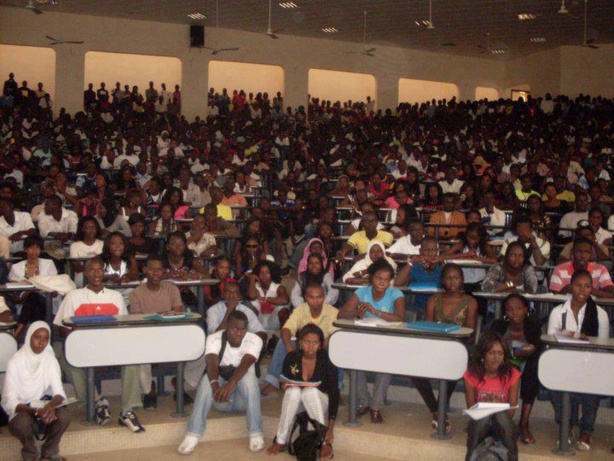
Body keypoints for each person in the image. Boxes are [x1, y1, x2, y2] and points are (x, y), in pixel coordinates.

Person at [54, 257, 144, 432]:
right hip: (83, 347)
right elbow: (60, 328)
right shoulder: (74, 296)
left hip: (110, 347)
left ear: (104, 272)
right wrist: (76, 335)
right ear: (86, 273)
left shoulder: (115, 296)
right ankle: (96, 402)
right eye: (92, 270)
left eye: (100, 270)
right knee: (65, 355)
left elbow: (124, 326)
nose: (96, 273)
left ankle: (128, 409)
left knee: (133, 357)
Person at [177, 311, 265, 455]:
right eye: (234, 328)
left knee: (249, 378)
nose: (238, 333)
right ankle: (193, 434)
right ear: (227, 326)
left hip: (244, 399)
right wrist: (215, 386)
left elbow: (246, 362)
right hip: (221, 400)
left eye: (242, 329)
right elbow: (212, 363)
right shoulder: (214, 338)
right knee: (207, 380)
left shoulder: (255, 339)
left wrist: (230, 384)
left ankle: (255, 433)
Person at [547, 269, 610, 451]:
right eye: (578, 285)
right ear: (570, 287)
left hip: (590, 362)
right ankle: (566, 427)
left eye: (587, 286)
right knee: (552, 381)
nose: (582, 290)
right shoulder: (558, 312)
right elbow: (552, 342)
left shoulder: (600, 315)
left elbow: (601, 347)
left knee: (592, 384)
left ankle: (586, 431)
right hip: (564, 361)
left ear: (592, 288)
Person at [411, 264, 477, 432]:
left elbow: (469, 333)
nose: (452, 281)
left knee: (455, 364)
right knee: (414, 370)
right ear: (443, 280)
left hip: (459, 347)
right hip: (436, 346)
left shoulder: (470, 301)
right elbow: (428, 327)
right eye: (448, 278)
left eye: (456, 278)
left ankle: (438, 412)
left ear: (462, 280)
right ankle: (436, 411)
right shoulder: (434, 300)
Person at [338, 259, 405, 423]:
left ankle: (376, 407)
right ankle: (364, 401)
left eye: (386, 279)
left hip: (386, 341)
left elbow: (400, 318)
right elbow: (341, 314)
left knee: (386, 365)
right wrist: (356, 314)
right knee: (352, 361)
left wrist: (375, 311)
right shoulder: (362, 292)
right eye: (379, 278)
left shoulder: (396, 294)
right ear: (371, 278)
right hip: (364, 340)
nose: (383, 283)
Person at [1, 322, 71, 461]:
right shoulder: (15, 362)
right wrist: (36, 411)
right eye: (37, 337)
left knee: (64, 416)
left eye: (45, 339)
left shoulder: (49, 359)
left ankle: (48, 453)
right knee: (22, 423)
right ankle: (31, 455)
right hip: (23, 410)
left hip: (44, 407)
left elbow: (59, 393)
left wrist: (49, 407)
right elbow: (10, 400)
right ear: (29, 338)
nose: (41, 343)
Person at [267, 324, 338, 459]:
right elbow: (283, 381)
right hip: (298, 403)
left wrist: (330, 428)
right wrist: (284, 386)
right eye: (307, 342)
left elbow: (334, 394)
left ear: (320, 344)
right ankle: (280, 440)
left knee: (309, 392)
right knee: (292, 391)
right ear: (300, 343)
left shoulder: (327, 360)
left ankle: (324, 442)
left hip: (319, 402)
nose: (311, 347)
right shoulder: (292, 357)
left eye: (315, 342)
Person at [261, 284, 339, 396]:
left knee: (337, 346)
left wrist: (323, 344)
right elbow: (286, 329)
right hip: (304, 346)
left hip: (323, 347)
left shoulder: (333, 312)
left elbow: (334, 335)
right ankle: (272, 383)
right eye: (312, 297)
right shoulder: (300, 310)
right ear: (306, 298)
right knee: (282, 342)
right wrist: (290, 350)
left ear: (324, 297)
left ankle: (337, 388)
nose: (316, 301)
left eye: (319, 297)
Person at [129, 255, 184, 410]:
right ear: (145, 270)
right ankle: (149, 391)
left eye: (159, 269)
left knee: (200, 350)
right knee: (138, 353)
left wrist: (155, 316)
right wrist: (163, 315)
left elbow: (177, 316)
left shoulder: (172, 289)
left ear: (163, 271)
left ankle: (180, 382)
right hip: (146, 337)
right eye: (151, 269)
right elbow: (138, 321)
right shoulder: (136, 293)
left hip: (170, 336)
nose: (155, 273)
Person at [490, 294, 542, 445]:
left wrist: (529, 350)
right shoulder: (498, 325)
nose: (515, 313)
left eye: (519, 308)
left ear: (526, 309)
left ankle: (524, 422)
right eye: (510, 309)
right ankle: (493, 421)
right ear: (505, 311)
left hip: (526, 362)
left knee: (533, 367)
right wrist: (513, 353)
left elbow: (537, 347)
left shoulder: (533, 325)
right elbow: (491, 348)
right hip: (503, 361)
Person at [464, 331, 520, 461]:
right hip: (480, 426)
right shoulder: (471, 374)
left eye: (500, 353)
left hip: (502, 427)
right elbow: (471, 408)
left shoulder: (512, 374)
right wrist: (486, 406)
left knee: (501, 416)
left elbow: (511, 411)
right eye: (492, 353)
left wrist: (497, 407)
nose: (496, 358)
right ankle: (470, 456)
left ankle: (513, 456)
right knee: (484, 417)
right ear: (483, 355)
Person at [9, 235, 58, 339]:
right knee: (33, 301)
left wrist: (29, 291)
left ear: (41, 250)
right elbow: (13, 291)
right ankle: (38, 336)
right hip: (24, 304)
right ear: (25, 249)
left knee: (34, 295)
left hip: (46, 301)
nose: (34, 251)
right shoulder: (16, 267)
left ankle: (17, 333)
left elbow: (54, 288)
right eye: (31, 247)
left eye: (37, 248)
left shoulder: (48, 264)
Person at [394, 236, 442, 319]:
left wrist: (442, 262)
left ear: (437, 251)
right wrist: (411, 261)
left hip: (439, 307)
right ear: (420, 251)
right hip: (418, 307)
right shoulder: (416, 267)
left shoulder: (441, 267)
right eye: (426, 250)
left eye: (433, 250)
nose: (430, 253)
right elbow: (397, 283)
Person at [549, 237, 614, 298]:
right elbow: (554, 299)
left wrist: (590, 290)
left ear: (591, 254)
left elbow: (611, 293)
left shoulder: (600, 269)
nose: (583, 256)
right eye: (579, 251)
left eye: (586, 252)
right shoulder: (559, 270)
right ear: (572, 252)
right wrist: (566, 290)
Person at [247, 260, 290, 331]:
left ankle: (284, 335)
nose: (264, 275)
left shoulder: (278, 287)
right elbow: (251, 296)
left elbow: (285, 300)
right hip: (258, 321)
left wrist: (264, 298)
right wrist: (252, 278)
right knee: (251, 303)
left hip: (273, 320)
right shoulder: (254, 286)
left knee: (283, 307)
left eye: (267, 272)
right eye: (261, 272)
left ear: (272, 273)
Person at [69, 216, 104, 287]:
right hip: (82, 279)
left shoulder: (102, 243)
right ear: (82, 229)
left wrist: (86, 265)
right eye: (87, 228)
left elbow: (105, 265)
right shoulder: (75, 245)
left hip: (100, 277)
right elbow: (77, 268)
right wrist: (96, 260)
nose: (91, 230)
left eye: (93, 227)